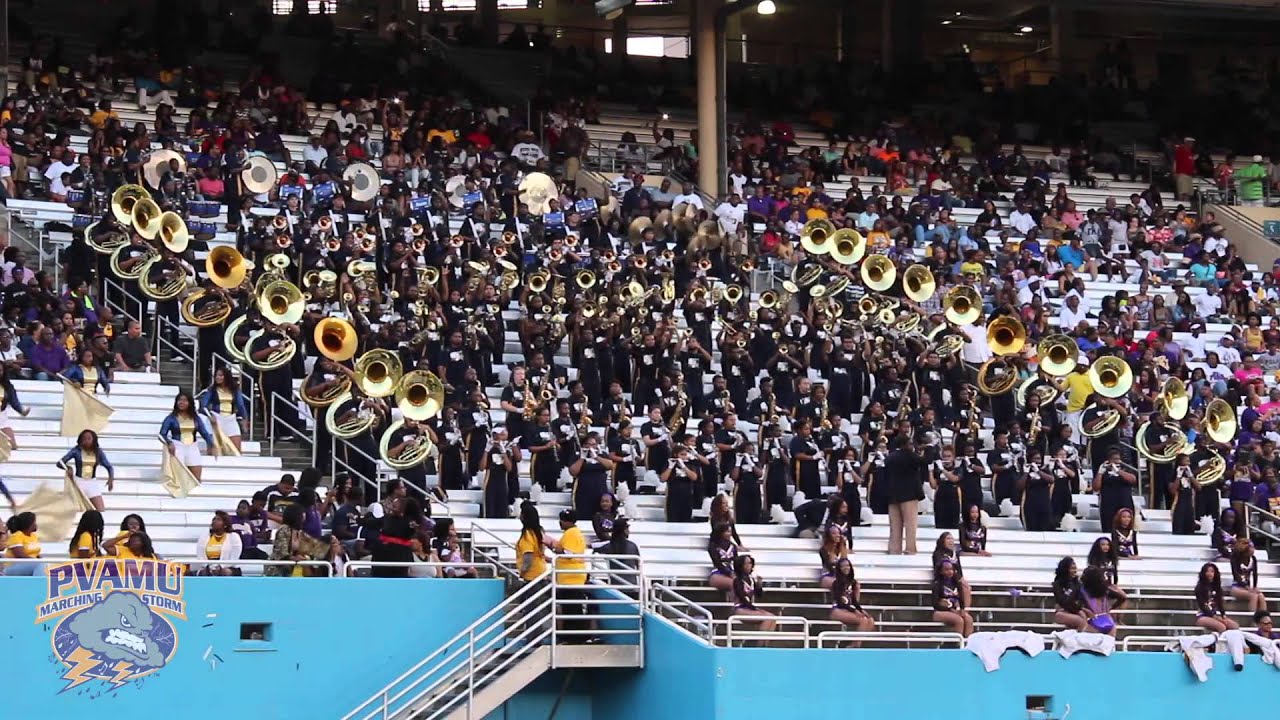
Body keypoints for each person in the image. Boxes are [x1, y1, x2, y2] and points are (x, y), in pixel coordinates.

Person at [160, 391, 218, 480]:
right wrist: (169, 443)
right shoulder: (171, 418)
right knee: (179, 477)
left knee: (196, 477)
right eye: (179, 400)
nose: (181, 402)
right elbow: (162, 434)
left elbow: (204, 433)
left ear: (190, 403)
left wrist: (211, 444)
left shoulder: (196, 418)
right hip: (178, 446)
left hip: (192, 447)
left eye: (185, 400)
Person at [884, 434, 926, 554]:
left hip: (893, 495)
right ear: (905, 444)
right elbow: (925, 461)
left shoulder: (890, 457)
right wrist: (928, 448)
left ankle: (894, 549)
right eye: (910, 444)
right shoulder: (909, 455)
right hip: (909, 494)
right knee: (910, 524)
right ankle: (910, 549)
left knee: (895, 526)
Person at [57, 429, 115, 511]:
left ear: (93, 440)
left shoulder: (98, 452)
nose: (86, 441)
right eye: (84, 438)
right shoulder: (76, 451)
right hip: (79, 482)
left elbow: (109, 467)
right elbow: (60, 463)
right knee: (77, 510)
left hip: (92, 483)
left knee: (100, 510)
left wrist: (111, 479)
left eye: (89, 438)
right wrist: (68, 468)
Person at [198, 367, 249, 453]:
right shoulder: (212, 390)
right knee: (213, 449)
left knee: (236, 449)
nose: (218, 377)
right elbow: (203, 406)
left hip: (230, 419)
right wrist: (210, 416)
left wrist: (245, 418)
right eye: (216, 376)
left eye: (220, 375)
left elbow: (240, 405)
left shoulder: (235, 390)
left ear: (226, 376)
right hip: (216, 419)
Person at [829, 557, 875, 640]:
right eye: (843, 566)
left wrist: (861, 610)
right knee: (863, 620)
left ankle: (858, 643)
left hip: (847, 609)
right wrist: (854, 610)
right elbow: (840, 602)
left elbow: (853, 600)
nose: (846, 568)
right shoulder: (837, 583)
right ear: (839, 568)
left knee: (870, 620)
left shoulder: (852, 582)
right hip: (838, 609)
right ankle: (855, 645)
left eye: (847, 565)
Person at [731, 554, 776, 638]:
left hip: (749, 608)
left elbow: (759, 595)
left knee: (772, 618)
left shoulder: (751, 580)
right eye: (747, 563)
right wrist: (755, 609)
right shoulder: (737, 581)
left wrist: (759, 585)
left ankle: (765, 643)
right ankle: (759, 644)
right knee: (768, 618)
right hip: (740, 609)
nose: (750, 565)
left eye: (751, 563)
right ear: (741, 565)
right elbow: (742, 597)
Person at [1078, 566, 1127, 636]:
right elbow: (1122, 597)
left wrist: (1084, 610)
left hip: (1091, 623)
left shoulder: (1081, 591)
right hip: (1108, 622)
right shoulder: (1105, 590)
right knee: (1108, 642)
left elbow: (1073, 604)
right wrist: (1111, 607)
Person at [932, 559, 973, 637]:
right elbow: (935, 604)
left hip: (955, 610)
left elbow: (961, 599)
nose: (950, 572)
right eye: (946, 569)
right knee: (959, 620)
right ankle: (957, 643)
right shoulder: (937, 584)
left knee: (969, 619)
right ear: (941, 571)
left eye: (951, 569)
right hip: (940, 611)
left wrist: (962, 609)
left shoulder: (957, 583)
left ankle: (968, 642)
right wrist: (951, 610)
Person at [1194, 562, 1238, 633]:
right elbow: (1203, 606)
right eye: (1207, 571)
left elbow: (1220, 603)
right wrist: (1215, 617)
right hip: (1202, 615)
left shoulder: (1217, 588)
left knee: (1234, 626)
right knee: (1221, 627)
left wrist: (1223, 615)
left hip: (1215, 615)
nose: (1210, 573)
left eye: (1212, 571)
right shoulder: (1199, 588)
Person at [195, 511, 244, 575]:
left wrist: (221, 566)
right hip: (208, 567)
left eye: (218, 520)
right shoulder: (204, 536)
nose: (214, 521)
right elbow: (200, 555)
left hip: (229, 566)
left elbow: (234, 557)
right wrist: (209, 567)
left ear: (225, 525)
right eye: (214, 519)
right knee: (203, 573)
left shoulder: (234, 537)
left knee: (225, 572)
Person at [1229, 538, 1269, 613]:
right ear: (1246, 550)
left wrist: (1254, 587)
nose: (1254, 549)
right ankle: (1253, 618)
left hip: (1248, 587)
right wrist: (1247, 587)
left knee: (1261, 595)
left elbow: (1255, 574)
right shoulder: (1235, 559)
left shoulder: (1253, 559)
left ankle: (1264, 617)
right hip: (1237, 587)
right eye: (1252, 547)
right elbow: (1236, 575)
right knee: (1254, 596)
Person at [515, 501, 550, 583]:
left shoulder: (527, 535)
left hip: (531, 576)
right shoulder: (539, 531)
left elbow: (528, 558)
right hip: (541, 572)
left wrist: (521, 574)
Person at [1052, 557, 1088, 631]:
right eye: (1072, 568)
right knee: (1080, 621)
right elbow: (1063, 602)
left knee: (1083, 617)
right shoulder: (1058, 584)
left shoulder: (1077, 583)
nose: (1075, 571)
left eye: (1075, 568)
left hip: (1074, 610)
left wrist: (1077, 608)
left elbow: (1081, 600)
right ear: (1065, 569)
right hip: (1061, 612)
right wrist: (1072, 588)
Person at [708, 523, 739, 594]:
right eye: (728, 532)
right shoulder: (713, 546)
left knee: (743, 584)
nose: (730, 534)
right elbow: (717, 563)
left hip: (732, 572)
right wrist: (729, 573)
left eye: (730, 532)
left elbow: (736, 561)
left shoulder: (733, 546)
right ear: (721, 533)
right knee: (735, 584)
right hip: (718, 573)